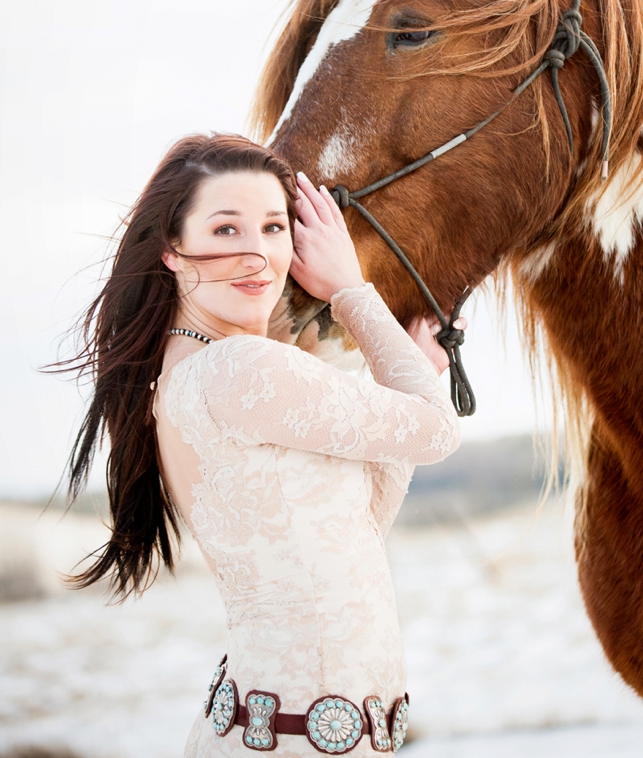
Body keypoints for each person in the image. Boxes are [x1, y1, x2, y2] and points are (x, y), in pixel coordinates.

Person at [64, 132, 462, 756]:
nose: (256, 255)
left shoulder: (192, 375)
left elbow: (358, 525)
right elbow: (437, 431)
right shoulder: (244, 370)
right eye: (226, 230)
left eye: (275, 228)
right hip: (299, 738)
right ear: (173, 248)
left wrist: (409, 371)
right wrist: (350, 290)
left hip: (276, 729)